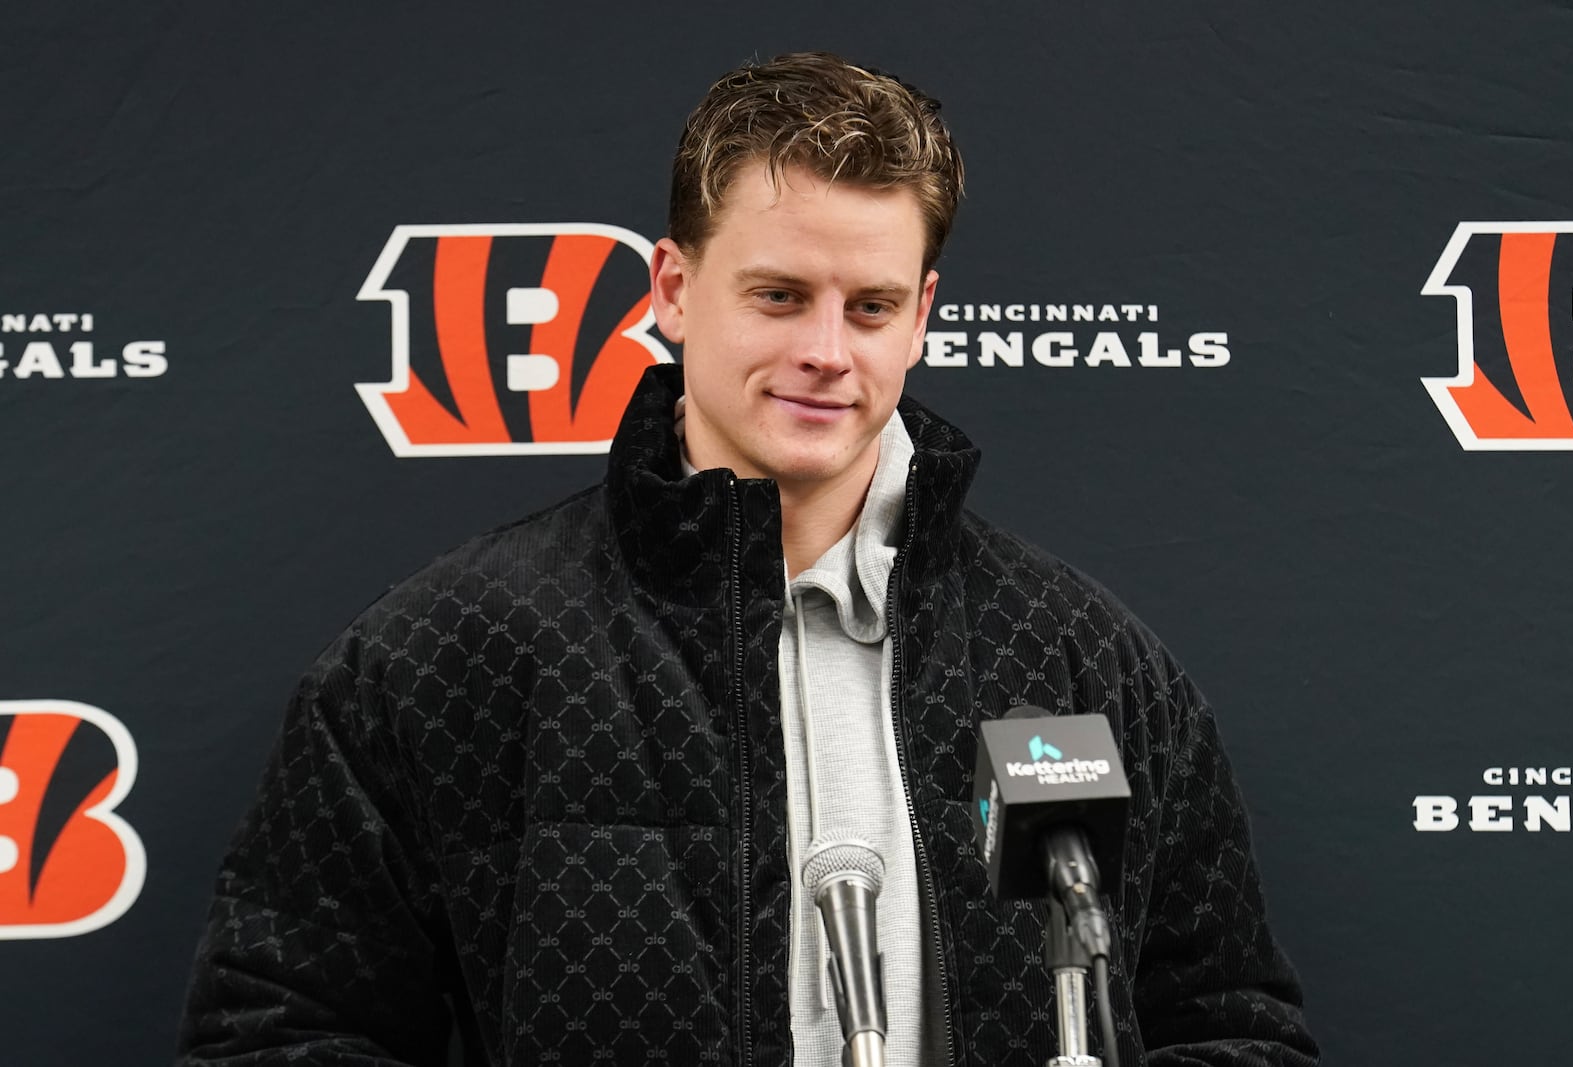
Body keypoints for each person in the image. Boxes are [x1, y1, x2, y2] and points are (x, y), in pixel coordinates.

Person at [178, 51, 1317, 1067]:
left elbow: (1232, 1021)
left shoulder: (1079, 656)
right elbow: (276, 1030)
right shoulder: (447, 653)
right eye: (778, 296)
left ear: (922, 314)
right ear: (674, 290)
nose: (825, 351)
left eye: (869, 306)